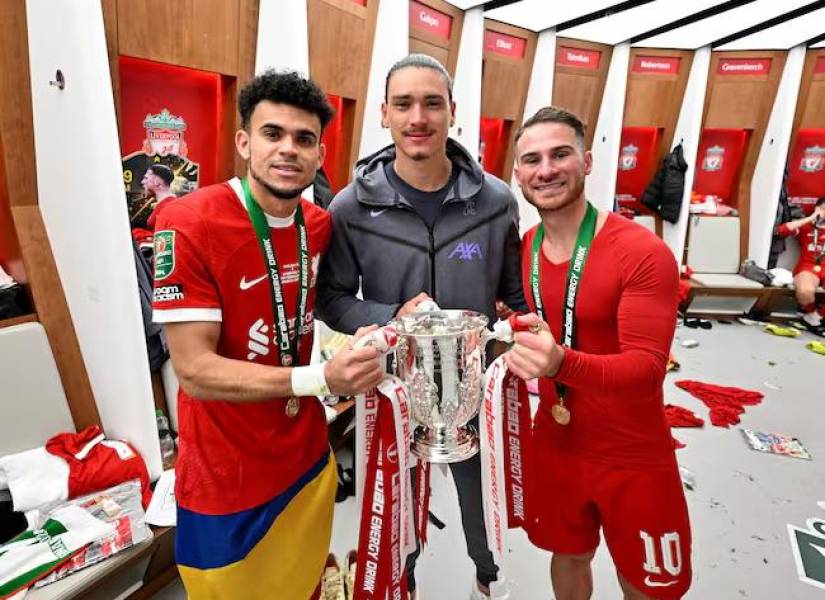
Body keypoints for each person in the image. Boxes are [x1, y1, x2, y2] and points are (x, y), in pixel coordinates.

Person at [151, 70, 385, 600]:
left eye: (304, 139)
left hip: (305, 461)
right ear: (243, 142)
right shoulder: (188, 222)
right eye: (272, 134)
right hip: (226, 479)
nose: (288, 150)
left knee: (302, 587)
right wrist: (319, 376)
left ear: (320, 153)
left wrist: (382, 323)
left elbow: (330, 304)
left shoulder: (318, 224)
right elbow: (194, 370)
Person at [316, 53, 527, 600]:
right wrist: (392, 318)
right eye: (404, 104)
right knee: (394, 519)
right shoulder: (351, 207)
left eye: (432, 103)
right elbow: (332, 298)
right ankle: (400, 585)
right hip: (392, 397)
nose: (418, 117)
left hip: (475, 396)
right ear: (383, 114)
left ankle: (490, 580)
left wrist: (516, 332)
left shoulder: (497, 201)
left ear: (452, 113)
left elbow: (514, 298)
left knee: (486, 513)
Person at [504, 106, 692, 600]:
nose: (546, 169)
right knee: (567, 555)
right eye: (532, 159)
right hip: (557, 442)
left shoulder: (641, 252)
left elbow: (647, 371)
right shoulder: (525, 248)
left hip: (630, 451)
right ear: (517, 174)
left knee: (647, 586)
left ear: (587, 162)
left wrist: (560, 362)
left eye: (560, 154)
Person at [776, 197, 825, 335]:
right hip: (808, 267)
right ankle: (812, 315)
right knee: (805, 291)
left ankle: (815, 317)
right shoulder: (807, 226)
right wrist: (811, 218)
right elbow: (781, 231)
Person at [142, 163, 176, 229]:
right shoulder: (166, 204)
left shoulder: (166, 206)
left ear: (156, 181)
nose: (142, 182)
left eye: (146, 178)